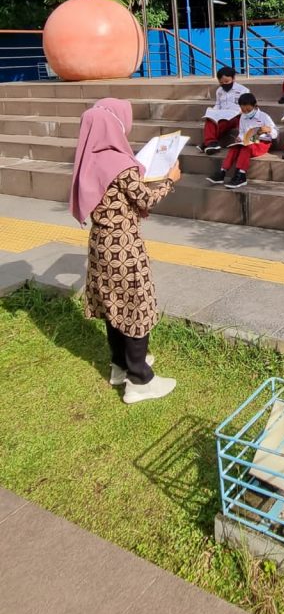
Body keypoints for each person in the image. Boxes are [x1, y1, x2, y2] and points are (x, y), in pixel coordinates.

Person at [69, 98, 181, 404]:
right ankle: (140, 380)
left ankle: (120, 365)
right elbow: (145, 200)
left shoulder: (88, 159)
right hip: (124, 243)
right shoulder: (122, 164)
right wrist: (169, 182)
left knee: (113, 303)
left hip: (99, 243)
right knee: (135, 304)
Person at [207, 93, 278, 189]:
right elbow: (242, 132)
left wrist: (269, 130)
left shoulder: (264, 116)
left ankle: (241, 175)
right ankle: (222, 171)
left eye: (248, 110)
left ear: (255, 106)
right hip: (248, 140)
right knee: (235, 147)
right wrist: (239, 138)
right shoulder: (243, 117)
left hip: (262, 142)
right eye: (243, 110)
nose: (246, 112)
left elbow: (276, 134)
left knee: (246, 147)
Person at [199, 66, 250, 154]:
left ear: (233, 78)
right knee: (210, 120)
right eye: (221, 82)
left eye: (227, 81)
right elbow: (218, 105)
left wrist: (238, 112)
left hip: (236, 116)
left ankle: (208, 143)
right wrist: (212, 112)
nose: (224, 84)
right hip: (222, 115)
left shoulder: (243, 90)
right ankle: (211, 143)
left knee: (221, 124)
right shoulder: (219, 91)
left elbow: (247, 107)